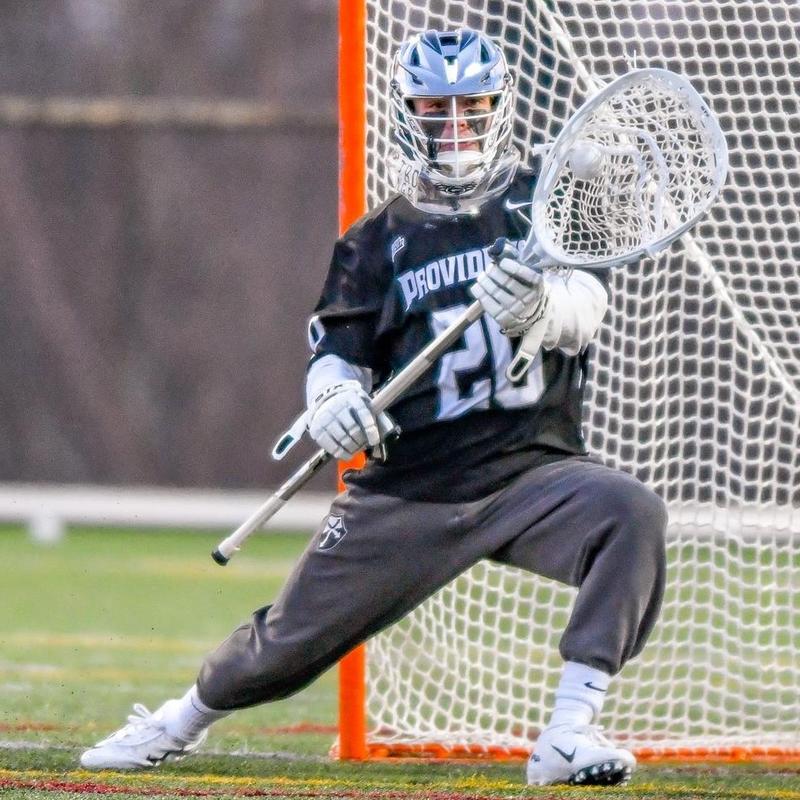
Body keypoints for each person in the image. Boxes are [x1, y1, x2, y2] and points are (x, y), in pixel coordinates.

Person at [80, 28, 667, 787]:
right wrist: (333, 400)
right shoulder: (376, 240)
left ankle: (567, 733)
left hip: (533, 476)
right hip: (411, 490)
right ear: (405, 113)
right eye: (434, 108)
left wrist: (540, 309)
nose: (454, 125)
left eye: (471, 107)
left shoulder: (541, 202)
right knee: (283, 648)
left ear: (499, 108)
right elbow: (335, 351)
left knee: (629, 513)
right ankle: (178, 720)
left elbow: (586, 306)